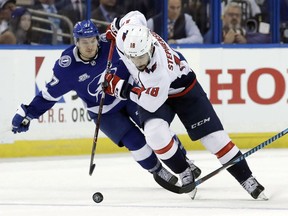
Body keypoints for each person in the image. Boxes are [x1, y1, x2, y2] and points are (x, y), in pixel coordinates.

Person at [11, 19, 201, 196]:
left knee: (156, 128)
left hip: (129, 95)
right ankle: (157, 170)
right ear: (76, 42)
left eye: (92, 40)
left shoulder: (112, 45)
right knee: (135, 143)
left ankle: (183, 162)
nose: (90, 45)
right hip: (104, 112)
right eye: (84, 42)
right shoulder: (66, 67)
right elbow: (49, 94)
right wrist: (28, 112)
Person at [104, 10, 267, 200]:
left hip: (184, 89)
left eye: (142, 57)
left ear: (150, 48)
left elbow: (150, 100)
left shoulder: (159, 71)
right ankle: (184, 170)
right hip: (153, 90)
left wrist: (121, 88)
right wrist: (115, 27)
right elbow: (135, 14)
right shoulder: (128, 34)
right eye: (134, 58)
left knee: (214, 139)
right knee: (154, 133)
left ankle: (247, 178)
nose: (138, 62)